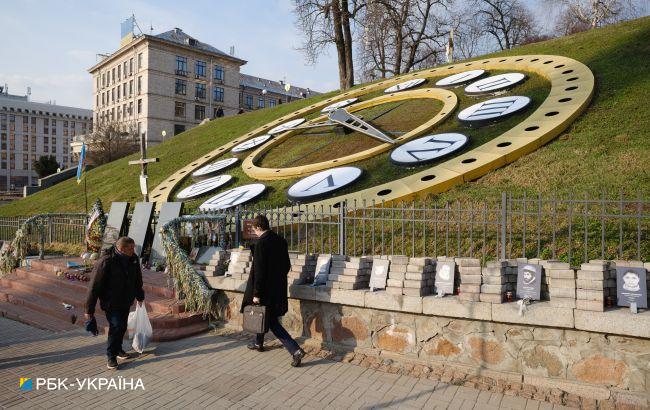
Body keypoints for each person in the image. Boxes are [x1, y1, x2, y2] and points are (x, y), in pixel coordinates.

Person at [241, 215, 306, 367]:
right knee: (263, 315)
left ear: (258, 228)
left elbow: (259, 272)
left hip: (264, 290)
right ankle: (258, 343)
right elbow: (286, 266)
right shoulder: (281, 240)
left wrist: (256, 294)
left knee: (271, 322)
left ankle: (295, 350)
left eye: (254, 230)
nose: (254, 233)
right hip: (278, 288)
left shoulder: (261, 244)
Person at [85, 237, 145, 370]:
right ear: (121, 249)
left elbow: (137, 279)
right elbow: (94, 286)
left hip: (125, 300)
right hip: (110, 302)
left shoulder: (133, 258)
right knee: (116, 326)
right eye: (130, 248)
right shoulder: (106, 261)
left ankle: (118, 350)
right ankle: (111, 356)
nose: (133, 250)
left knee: (122, 326)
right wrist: (89, 310)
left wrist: (140, 296)